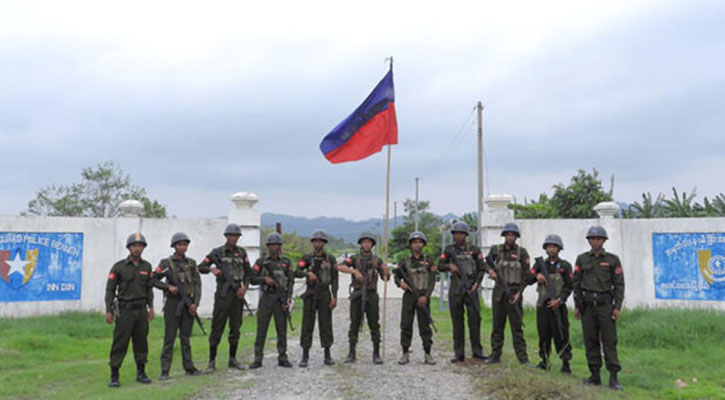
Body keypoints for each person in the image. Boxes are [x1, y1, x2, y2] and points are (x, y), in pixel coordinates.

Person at [573, 226, 625, 390]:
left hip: (605, 306)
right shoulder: (581, 259)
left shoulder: (612, 259)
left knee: (609, 341)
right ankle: (594, 375)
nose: (595, 241)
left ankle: (613, 377)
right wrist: (577, 306)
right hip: (587, 306)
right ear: (589, 241)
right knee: (590, 340)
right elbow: (576, 284)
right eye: (593, 238)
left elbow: (619, 285)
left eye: (598, 238)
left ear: (603, 241)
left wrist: (617, 306)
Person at [198, 223, 252, 372]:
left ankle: (232, 359)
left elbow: (248, 273)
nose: (234, 238)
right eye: (231, 236)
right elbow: (200, 266)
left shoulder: (242, 253)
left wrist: (244, 288)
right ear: (226, 237)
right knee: (217, 327)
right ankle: (211, 361)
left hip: (237, 295)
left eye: (236, 236)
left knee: (235, 327)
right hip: (223, 294)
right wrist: (212, 269)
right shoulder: (217, 252)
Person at [105, 233, 155, 388]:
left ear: (143, 248)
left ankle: (141, 372)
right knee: (120, 343)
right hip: (125, 311)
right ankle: (114, 375)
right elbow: (110, 289)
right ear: (129, 248)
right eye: (134, 245)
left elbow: (149, 289)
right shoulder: (119, 267)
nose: (137, 248)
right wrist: (108, 310)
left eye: (140, 246)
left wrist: (151, 307)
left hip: (141, 310)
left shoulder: (147, 266)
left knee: (141, 343)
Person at [152, 232, 203, 380]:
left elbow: (197, 284)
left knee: (186, 338)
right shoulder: (166, 263)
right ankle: (165, 370)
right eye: (180, 244)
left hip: (188, 303)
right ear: (174, 246)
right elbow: (153, 279)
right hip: (173, 304)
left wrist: (195, 303)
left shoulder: (192, 263)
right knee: (169, 338)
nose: (183, 247)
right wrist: (167, 288)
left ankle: (189, 367)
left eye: (185, 244)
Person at [337, 232, 391, 364]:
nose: (366, 244)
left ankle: (376, 353)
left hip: (372, 294)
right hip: (357, 293)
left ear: (372, 244)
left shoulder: (377, 260)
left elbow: (386, 278)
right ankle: (351, 352)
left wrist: (387, 272)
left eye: (369, 242)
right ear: (361, 244)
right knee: (354, 323)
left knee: (374, 323)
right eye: (364, 242)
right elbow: (340, 267)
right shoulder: (354, 258)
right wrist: (354, 271)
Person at [439, 222, 488, 363]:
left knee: (475, 321)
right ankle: (459, 353)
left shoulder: (474, 249)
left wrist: (476, 284)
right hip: (456, 288)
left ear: (466, 235)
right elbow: (439, 266)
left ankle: (477, 351)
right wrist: (450, 266)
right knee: (457, 322)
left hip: (471, 287)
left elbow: (481, 268)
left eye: (460, 233)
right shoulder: (449, 250)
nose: (457, 236)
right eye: (455, 233)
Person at [485, 222, 533, 365]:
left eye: (513, 235)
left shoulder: (522, 253)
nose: (510, 237)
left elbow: (526, 276)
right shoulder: (496, 250)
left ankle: (523, 359)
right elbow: (485, 263)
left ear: (516, 237)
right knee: (497, 326)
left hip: (515, 293)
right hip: (499, 293)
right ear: (504, 236)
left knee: (517, 328)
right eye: (508, 234)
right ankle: (495, 355)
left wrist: (519, 293)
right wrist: (490, 271)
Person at [249, 232, 295, 368]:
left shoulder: (286, 262)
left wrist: (288, 298)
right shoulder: (261, 262)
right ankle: (258, 358)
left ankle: (282, 357)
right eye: (271, 245)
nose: (274, 247)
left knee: (282, 330)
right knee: (261, 330)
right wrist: (264, 279)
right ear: (268, 246)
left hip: (280, 299)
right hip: (266, 298)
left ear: (280, 246)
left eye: (276, 245)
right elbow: (252, 279)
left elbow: (291, 281)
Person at [296, 230, 339, 367]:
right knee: (307, 324)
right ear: (313, 243)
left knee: (325, 324)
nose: (318, 243)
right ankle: (305, 355)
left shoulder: (330, 259)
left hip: (325, 293)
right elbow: (296, 271)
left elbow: (335, 279)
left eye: (321, 241)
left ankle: (327, 354)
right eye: (316, 241)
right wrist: (307, 273)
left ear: (324, 243)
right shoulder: (307, 258)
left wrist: (335, 297)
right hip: (310, 293)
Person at [394, 231, 437, 365]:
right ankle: (405, 353)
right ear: (411, 245)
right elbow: (396, 275)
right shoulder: (405, 261)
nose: (417, 245)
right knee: (406, 324)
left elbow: (432, 280)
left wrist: (426, 296)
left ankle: (428, 353)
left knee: (425, 325)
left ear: (423, 244)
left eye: (419, 242)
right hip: (409, 296)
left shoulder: (429, 260)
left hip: (423, 296)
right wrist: (400, 284)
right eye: (414, 242)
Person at [532, 234, 573, 373]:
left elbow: (569, 286)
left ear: (559, 248)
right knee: (543, 334)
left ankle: (566, 363)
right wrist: (536, 276)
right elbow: (528, 276)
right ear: (545, 248)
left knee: (561, 333)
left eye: (554, 246)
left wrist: (560, 300)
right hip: (542, 305)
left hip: (558, 306)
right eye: (549, 246)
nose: (551, 249)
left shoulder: (565, 266)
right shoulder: (539, 264)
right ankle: (544, 361)